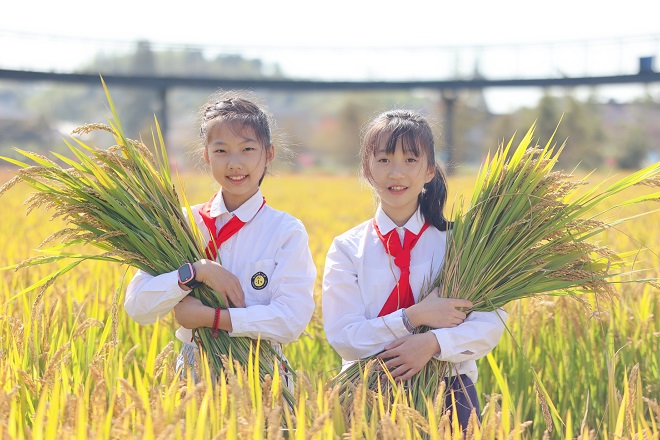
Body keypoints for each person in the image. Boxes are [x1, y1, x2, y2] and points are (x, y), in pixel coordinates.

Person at [322, 109, 507, 429]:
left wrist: (433, 345)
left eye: (410, 160)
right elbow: (344, 337)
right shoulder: (347, 248)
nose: (397, 173)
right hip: (368, 396)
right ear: (367, 169)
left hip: (452, 396)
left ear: (430, 171)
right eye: (384, 160)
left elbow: (490, 324)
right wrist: (413, 318)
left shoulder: (461, 243)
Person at [124, 91, 316, 388]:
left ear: (269, 154)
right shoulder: (183, 223)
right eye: (221, 151)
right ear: (206, 156)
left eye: (248, 149)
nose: (235, 164)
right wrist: (195, 272)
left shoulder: (285, 230)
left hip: (262, 373)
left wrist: (211, 318)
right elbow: (137, 307)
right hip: (192, 374)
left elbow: (290, 320)